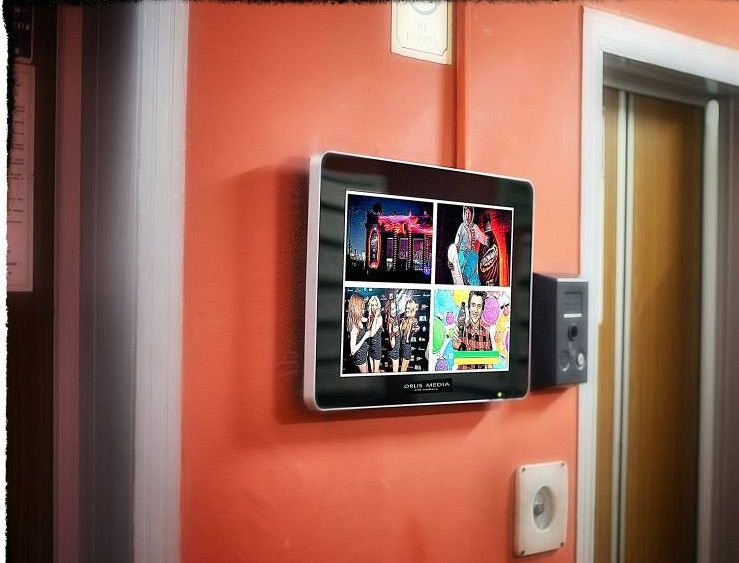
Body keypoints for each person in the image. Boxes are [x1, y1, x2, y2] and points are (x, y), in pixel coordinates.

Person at [452, 290, 496, 370]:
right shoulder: (461, 330)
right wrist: (455, 346)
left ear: (482, 310)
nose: (476, 310)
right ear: (469, 307)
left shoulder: (486, 333)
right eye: (473, 305)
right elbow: (455, 350)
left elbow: (490, 365)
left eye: (479, 306)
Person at [452, 206, 491, 285]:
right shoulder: (462, 227)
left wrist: (487, 241)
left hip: (471, 256)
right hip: (463, 254)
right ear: (464, 214)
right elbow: (457, 243)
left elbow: (481, 236)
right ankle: (464, 276)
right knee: (473, 256)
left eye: (469, 213)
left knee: (474, 256)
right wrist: (453, 258)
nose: (467, 216)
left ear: (472, 215)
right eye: (466, 213)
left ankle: (475, 284)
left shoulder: (474, 227)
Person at [346, 293, 375, 373]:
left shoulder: (359, 318)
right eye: (362, 306)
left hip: (364, 353)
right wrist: (365, 337)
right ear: (357, 307)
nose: (363, 308)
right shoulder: (354, 327)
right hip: (360, 356)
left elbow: (366, 320)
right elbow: (352, 351)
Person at [399, 298, 420, 372]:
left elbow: (415, 329)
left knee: (403, 371)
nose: (406, 310)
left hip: (406, 348)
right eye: (406, 308)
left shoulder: (414, 321)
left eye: (408, 308)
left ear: (412, 309)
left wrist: (416, 329)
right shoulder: (403, 319)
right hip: (401, 347)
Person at [367, 295, 384, 372]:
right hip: (370, 347)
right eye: (372, 305)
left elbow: (372, 333)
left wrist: (376, 315)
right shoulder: (370, 317)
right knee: (371, 371)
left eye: (376, 305)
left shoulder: (379, 318)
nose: (374, 307)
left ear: (378, 306)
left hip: (377, 348)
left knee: (375, 372)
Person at [385, 296, 401, 373]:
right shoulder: (391, 322)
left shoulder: (394, 319)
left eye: (395, 308)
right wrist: (394, 333)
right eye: (392, 309)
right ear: (388, 310)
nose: (394, 311)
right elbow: (392, 345)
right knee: (395, 375)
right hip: (394, 353)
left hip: (395, 352)